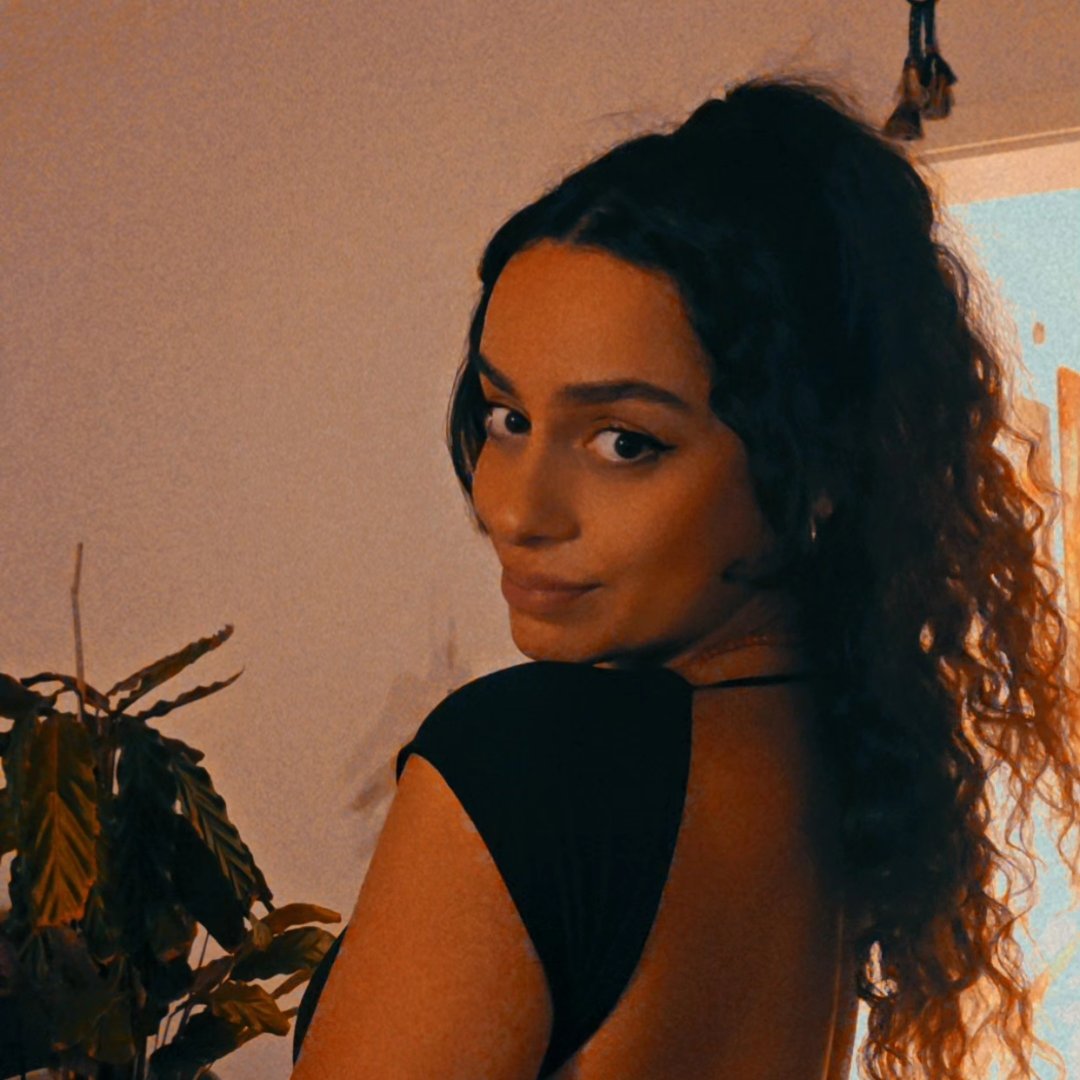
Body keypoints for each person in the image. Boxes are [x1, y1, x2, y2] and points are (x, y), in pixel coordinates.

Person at [289, 71, 1080, 1079]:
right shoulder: (823, 746)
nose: (516, 512)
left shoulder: (534, 764)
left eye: (625, 442)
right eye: (507, 418)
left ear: (815, 464)